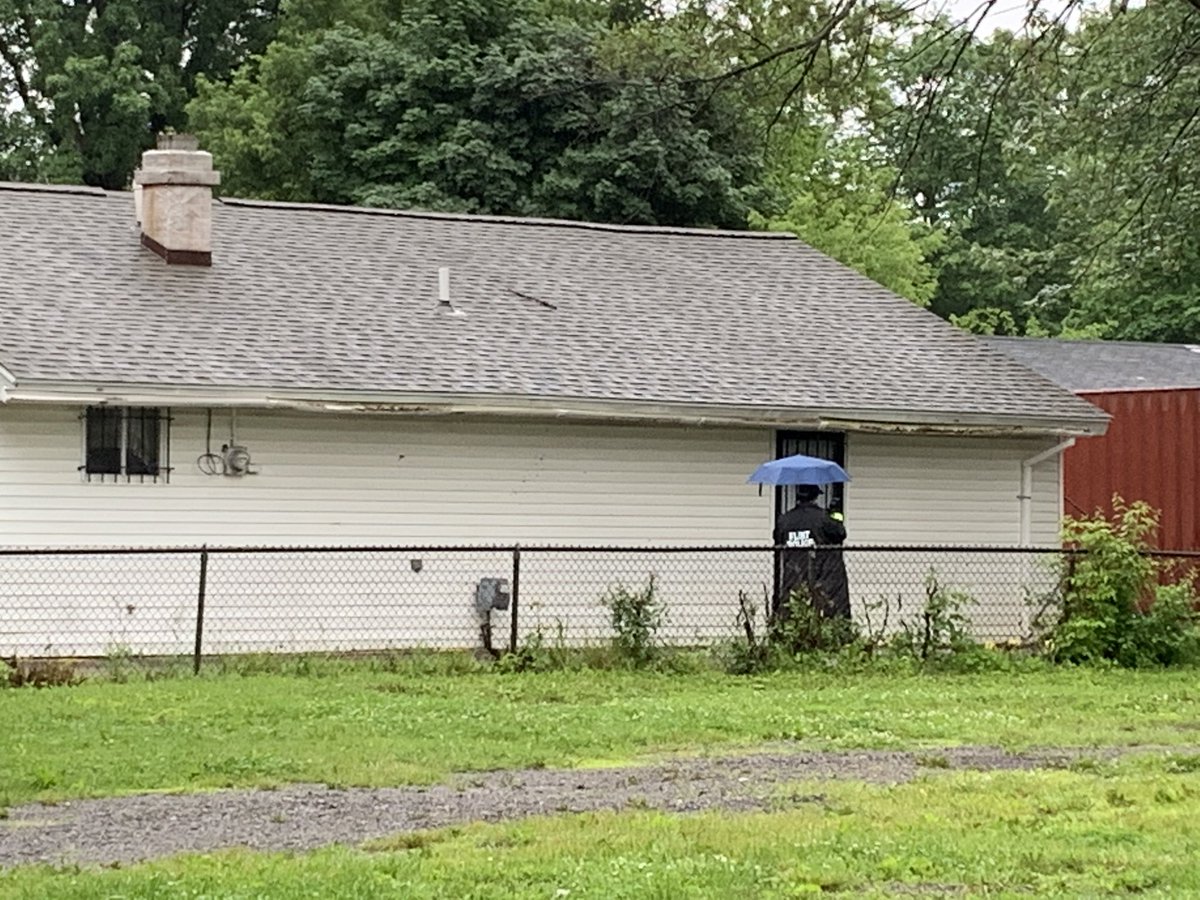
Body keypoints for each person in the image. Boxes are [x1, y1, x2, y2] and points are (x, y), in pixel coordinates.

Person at [773, 484, 850, 620]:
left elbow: (777, 537)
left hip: (793, 576)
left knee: (793, 613)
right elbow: (840, 533)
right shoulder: (823, 518)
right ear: (815, 497)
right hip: (821, 575)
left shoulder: (784, 520)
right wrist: (834, 514)